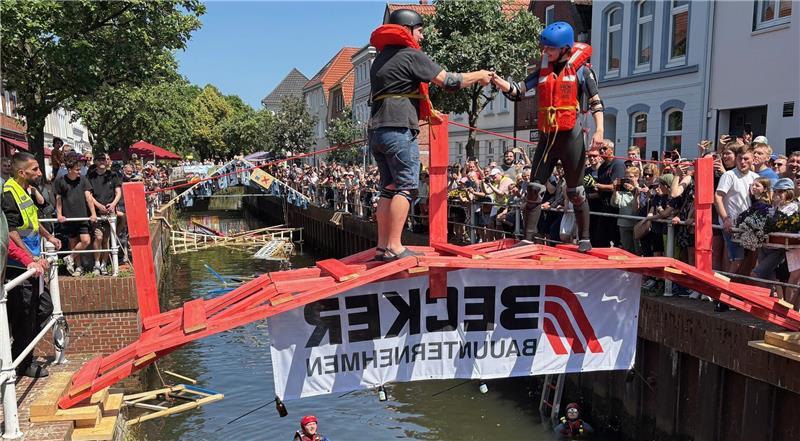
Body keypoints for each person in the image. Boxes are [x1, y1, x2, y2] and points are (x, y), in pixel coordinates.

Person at [367, 9, 492, 261]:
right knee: (406, 188)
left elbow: (399, 91)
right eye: (420, 31)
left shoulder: (380, 60)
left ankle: (382, 247)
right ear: (408, 29)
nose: (422, 37)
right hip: (399, 129)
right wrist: (478, 75)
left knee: (387, 188)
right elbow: (448, 80)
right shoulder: (411, 55)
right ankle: (394, 246)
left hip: (377, 131)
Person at [491, 21, 605, 252]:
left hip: (570, 136)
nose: (545, 52)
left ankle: (584, 238)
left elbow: (596, 102)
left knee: (575, 191)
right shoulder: (544, 70)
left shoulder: (582, 70)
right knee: (534, 187)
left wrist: (599, 130)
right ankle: (528, 238)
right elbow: (519, 89)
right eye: (544, 48)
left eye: (550, 49)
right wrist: (497, 81)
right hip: (547, 136)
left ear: (564, 48)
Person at [2, 152, 60, 378]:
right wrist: (30, 258)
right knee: (24, 315)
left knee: (43, 308)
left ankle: (22, 359)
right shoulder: (8, 194)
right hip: (19, 267)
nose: (39, 172)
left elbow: (33, 221)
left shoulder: (25, 191)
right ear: (21, 172)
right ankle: (20, 363)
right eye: (35, 169)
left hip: (32, 263)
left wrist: (48, 237)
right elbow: (12, 231)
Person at [54, 153, 96, 276]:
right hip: (69, 217)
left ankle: (70, 257)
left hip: (82, 216)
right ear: (69, 170)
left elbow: (88, 197)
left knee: (85, 240)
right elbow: (58, 199)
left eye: (80, 169)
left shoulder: (83, 179)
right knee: (73, 242)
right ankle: (78, 267)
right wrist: (59, 214)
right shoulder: (60, 181)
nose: (79, 172)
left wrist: (93, 214)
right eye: (77, 170)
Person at [86, 153, 121, 275]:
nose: (102, 161)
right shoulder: (90, 176)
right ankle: (96, 264)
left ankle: (104, 264)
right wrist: (98, 205)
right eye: (100, 159)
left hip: (110, 211)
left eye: (104, 159)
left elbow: (118, 192)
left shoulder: (113, 175)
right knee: (98, 237)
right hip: (97, 211)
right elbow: (89, 194)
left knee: (106, 239)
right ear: (95, 161)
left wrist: (113, 204)